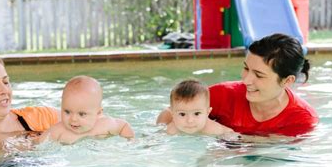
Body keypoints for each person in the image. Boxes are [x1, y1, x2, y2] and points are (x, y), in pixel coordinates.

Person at [157, 33, 318, 136]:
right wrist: (161, 135)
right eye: (246, 68)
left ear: (287, 81)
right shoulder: (223, 94)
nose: (246, 80)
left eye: (259, 75)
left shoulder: (301, 119)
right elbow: (171, 112)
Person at [43, 75, 134, 144]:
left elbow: (123, 126)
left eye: (81, 114)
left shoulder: (105, 124)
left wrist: (130, 141)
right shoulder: (57, 131)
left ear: (98, 113)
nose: (73, 119)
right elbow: (37, 143)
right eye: (67, 111)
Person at [159, 79, 234, 136]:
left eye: (197, 113)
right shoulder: (171, 130)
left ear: (208, 112)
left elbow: (232, 134)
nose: (190, 121)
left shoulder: (213, 129)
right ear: (172, 113)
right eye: (182, 114)